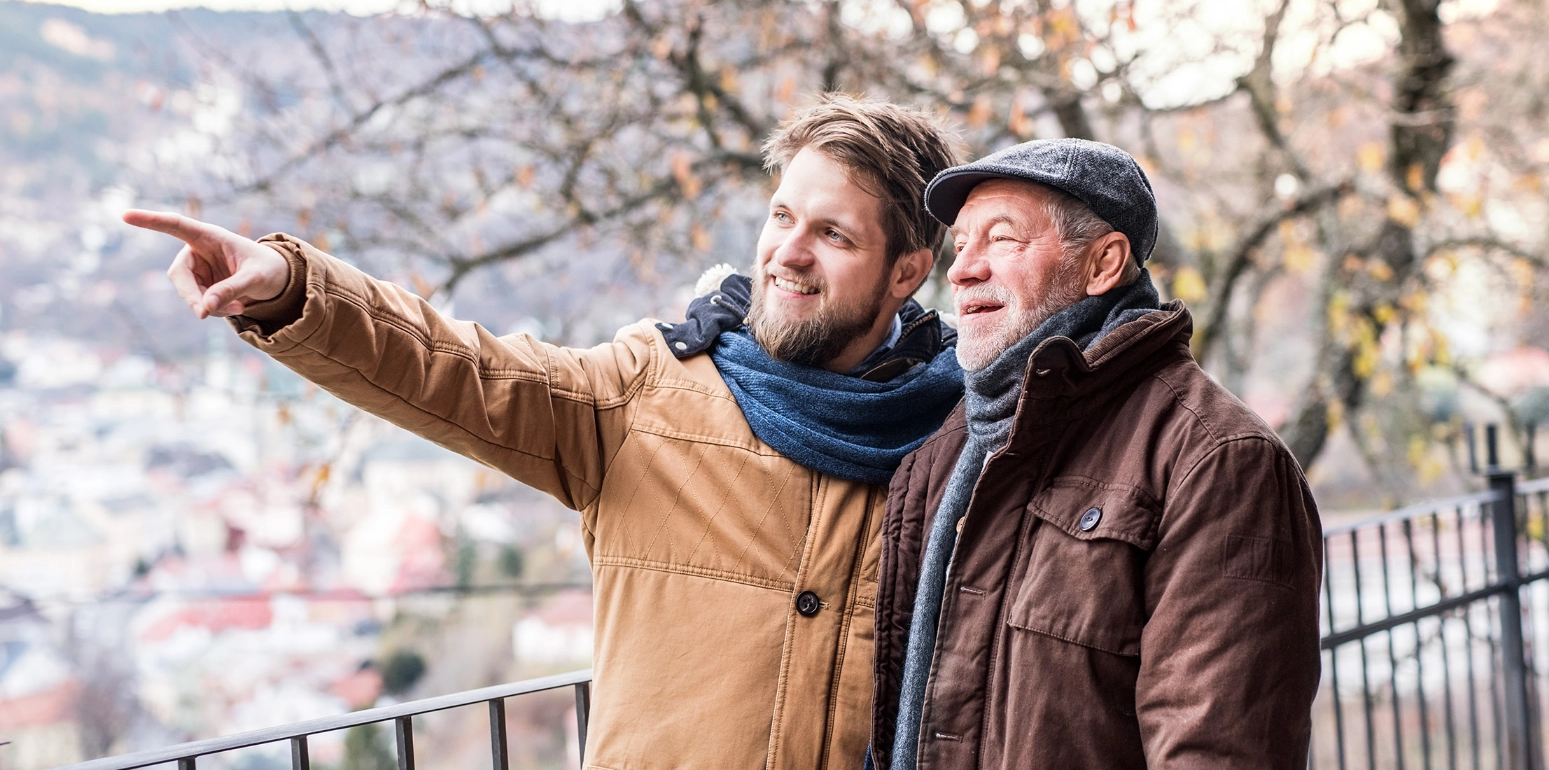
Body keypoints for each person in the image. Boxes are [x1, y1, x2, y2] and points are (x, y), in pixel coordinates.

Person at [124, 97, 965, 770]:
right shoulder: (648, 392)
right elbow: (455, 369)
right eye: (782, 216)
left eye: (832, 233)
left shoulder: (965, 439)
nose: (789, 251)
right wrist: (292, 287)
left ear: (906, 271)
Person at [869, 139, 1323, 770]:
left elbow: (1219, 751)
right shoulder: (946, 449)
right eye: (960, 243)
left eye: (1002, 239)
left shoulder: (1219, 459)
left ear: (1104, 264)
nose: (962, 269)